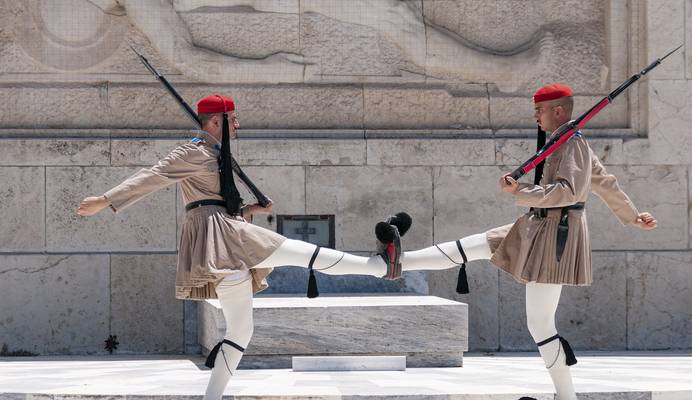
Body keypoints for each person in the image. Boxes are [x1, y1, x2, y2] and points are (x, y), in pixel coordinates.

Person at [76, 94, 407, 400]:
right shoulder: (194, 150)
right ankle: (379, 266)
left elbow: (212, 198)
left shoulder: (214, 153)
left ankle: (212, 397)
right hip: (221, 234)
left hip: (222, 233)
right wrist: (107, 200)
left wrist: (249, 210)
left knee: (241, 330)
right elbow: (154, 174)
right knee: (298, 251)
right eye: (232, 119)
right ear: (216, 122)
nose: (238, 124)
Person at [373, 83, 657, 400]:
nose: (536, 115)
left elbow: (570, 192)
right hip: (536, 226)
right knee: (474, 245)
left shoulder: (572, 144)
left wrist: (520, 191)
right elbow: (604, 181)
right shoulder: (566, 141)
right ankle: (400, 259)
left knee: (540, 324)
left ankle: (567, 397)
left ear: (559, 110)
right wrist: (632, 215)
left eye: (541, 109)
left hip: (555, 236)